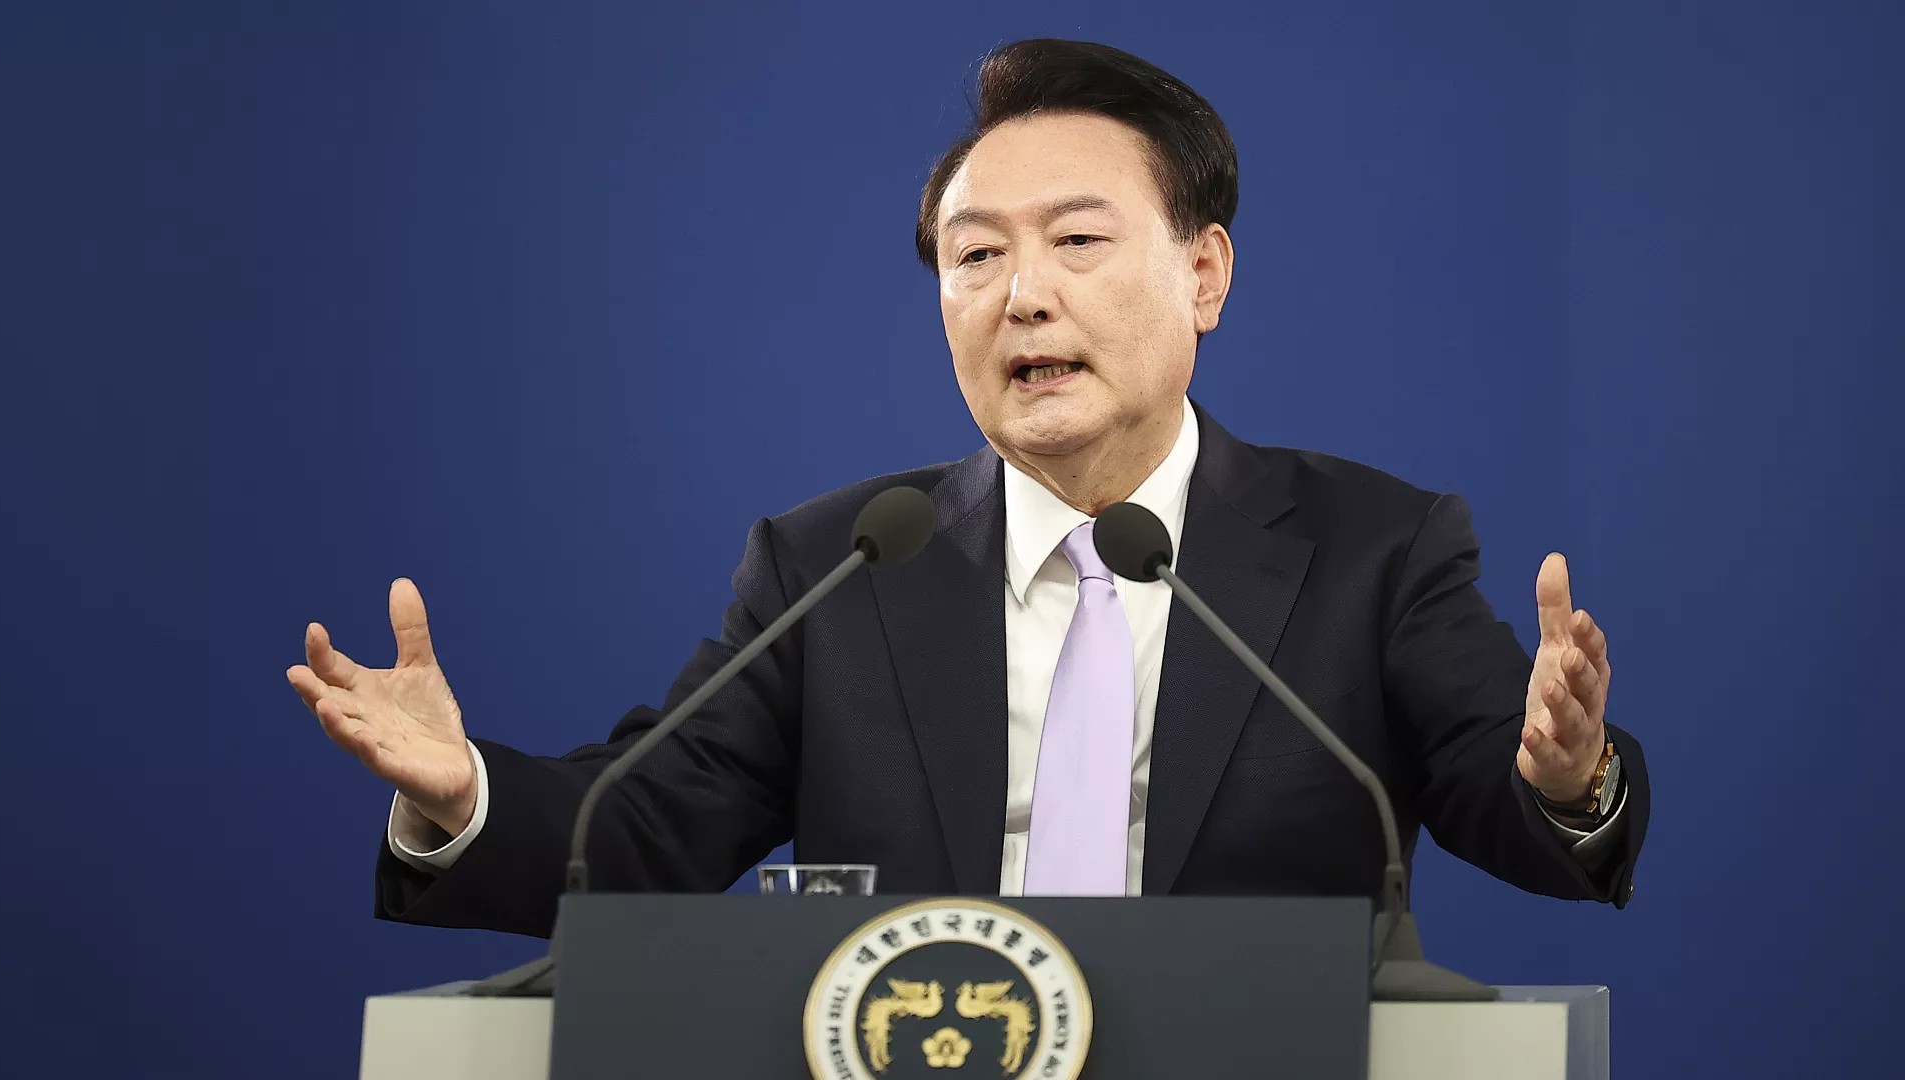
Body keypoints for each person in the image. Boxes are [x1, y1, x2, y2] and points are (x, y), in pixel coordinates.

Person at [287, 39, 1647, 939]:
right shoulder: (836, 564)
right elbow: (639, 831)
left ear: (1204, 274)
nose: (1022, 296)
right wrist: (461, 790)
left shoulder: (1373, 548)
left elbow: (1513, 796)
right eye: (975, 256)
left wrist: (1569, 777)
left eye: (1076, 241)